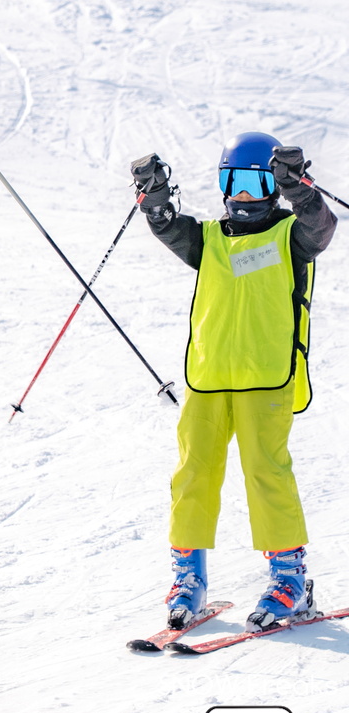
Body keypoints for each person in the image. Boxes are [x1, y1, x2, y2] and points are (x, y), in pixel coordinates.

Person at [131, 133, 336, 633]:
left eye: (254, 182)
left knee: (267, 473)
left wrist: (301, 189)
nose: (242, 195)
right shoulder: (208, 239)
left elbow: (322, 228)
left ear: (271, 183)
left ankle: (288, 575)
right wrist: (155, 199)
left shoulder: (291, 234)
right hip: (209, 377)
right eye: (232, 182)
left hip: (266, 379)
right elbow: (168, 228)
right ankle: (189, 577)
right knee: (192, 475)